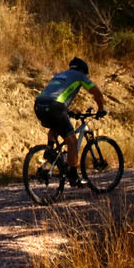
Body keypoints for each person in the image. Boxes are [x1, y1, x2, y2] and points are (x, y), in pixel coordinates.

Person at [34, 57, 107, 186]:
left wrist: (68, 110)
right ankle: (74, 176)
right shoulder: (80, 76)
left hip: (39, 105)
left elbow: (54, 95)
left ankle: (50, 151)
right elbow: (97, 93)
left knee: (55, 126)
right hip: (55, 107)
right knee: (72, 143)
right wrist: (101, 109)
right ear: (84, 71)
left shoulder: (60, 75)